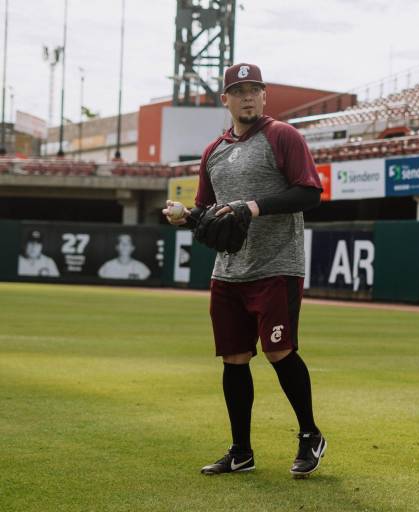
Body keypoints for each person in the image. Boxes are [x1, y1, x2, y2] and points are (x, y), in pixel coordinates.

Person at [163, 63, 325, 479]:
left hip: (277, 265)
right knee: (234, 359)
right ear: (226, 100)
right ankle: (240, 451)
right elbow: (207, 212)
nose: (248, 97)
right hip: (229, 271)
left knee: (278, 351)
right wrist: (186, 215)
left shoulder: (282, 136)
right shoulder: (213, 152)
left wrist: (253, 206)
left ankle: (310, 435)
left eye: (255, 89)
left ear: (264, 96)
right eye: (239, 91)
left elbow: (309, 191)